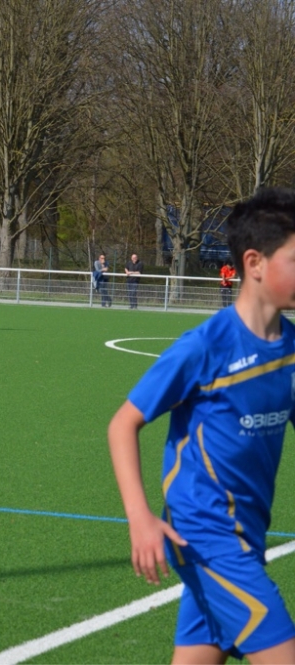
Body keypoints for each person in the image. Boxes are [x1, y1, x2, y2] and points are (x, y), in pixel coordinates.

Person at [107, 187, 295, 663]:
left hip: (246, 533)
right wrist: (139, 518)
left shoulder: (291, 349)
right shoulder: (206, 347)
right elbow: (123, 424)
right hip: (205, 535)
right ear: (254, 263)